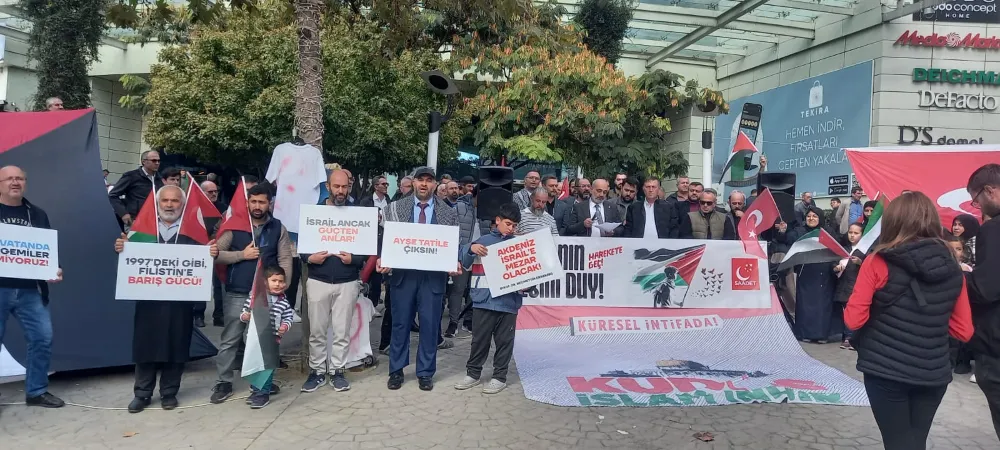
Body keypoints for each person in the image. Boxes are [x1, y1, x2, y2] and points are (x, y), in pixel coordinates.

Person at [844, 191, 973, 450]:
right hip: (933, 372)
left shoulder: (877, 261)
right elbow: (964, 330)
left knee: (898, 442)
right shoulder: (952, 266)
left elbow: (854, 320)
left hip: (885, 369)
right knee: (915, 441)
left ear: (892, 221)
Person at [113, 185, 220, 413]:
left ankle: (169, 392)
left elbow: (202, 264)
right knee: (145, 345)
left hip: (180, 302)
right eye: (165, 200)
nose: (169, 205)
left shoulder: (194, 233)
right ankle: (142, 394)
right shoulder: (142, 230)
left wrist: (210, 253)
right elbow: (130, 260)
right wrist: (123, 247)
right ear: (157, 203)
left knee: (177, 344)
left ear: (183, 205)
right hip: (148, 301)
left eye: (175, 201)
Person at [376, 167, 462, 391]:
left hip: (433, 277)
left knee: (430, 325)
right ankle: (396, 370)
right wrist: (382, 258)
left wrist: (454, 261)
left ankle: (425, 372)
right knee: (400, 323)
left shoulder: (448, 213)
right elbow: (386, 239)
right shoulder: (395, 208)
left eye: (429, 180)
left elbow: (453, 244)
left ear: (435, 185)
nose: (424, 184)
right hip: (403, 275)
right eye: (420, 180)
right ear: (413, 182)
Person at [209, 183, 293, 404]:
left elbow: (285, 258)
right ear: (247, 202)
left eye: (261, 202)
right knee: (231, 339)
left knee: (264, 342)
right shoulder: (234, 225)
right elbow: (216, 255)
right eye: (253, 201)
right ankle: (224, 382)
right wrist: (241, 255)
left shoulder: (278, 227)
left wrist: (283, 285)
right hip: (239, 291)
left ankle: (262, 383)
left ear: (269, 203)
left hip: (267, 295)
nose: (257, 206)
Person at [0, 166, 65, 408]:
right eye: (9, 179)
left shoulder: (37, 214)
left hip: (29, 289)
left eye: (19, 178)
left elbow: (46, 249)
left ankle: (36, 391)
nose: (15, 182)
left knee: (42, 338)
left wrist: (54, 268)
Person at [301, 170, 366, 393]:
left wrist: (354, 259)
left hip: (347, 281)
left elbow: (365, 250)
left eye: (344, 187)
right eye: (336, 186)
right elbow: (302, 248)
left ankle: (338, 371)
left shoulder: (357, 215)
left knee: (341, 331)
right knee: (317, 331)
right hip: (318, 279)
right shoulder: (314, 214)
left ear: (349, 187)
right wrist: (310, 258)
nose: (340, 191)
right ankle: (317, 371)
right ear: (328, 186)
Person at [454, 203, 523, 394]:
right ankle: (473, 374)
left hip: (508, 302)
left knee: (504, 342)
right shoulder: (482, 241)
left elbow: (530, 275)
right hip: (483, 301)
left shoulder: (519, 244)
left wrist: (527, 285)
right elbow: (464, 262)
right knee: (479, 341)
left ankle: (499, 377)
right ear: (497, 221)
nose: (511, 228)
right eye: (508, 224)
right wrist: (471, 248)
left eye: (515, 225)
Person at [965, 163, 1000, 438]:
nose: (977, 208)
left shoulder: (993, 229)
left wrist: (958, 277)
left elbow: (986, 289)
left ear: (989, 191)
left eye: (976, 200)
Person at [239, 266, 293, 409]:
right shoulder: (254, 298)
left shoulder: (284, 302)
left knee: (267, 368)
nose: (277, 284)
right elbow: (244, 313)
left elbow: (288, 317)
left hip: (272, 341)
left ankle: (263, 394)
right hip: (255, 340)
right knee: (255, 365)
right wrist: (245, 316)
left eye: (281, 281)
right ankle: (256, 389)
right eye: (274, 280)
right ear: (264, 282)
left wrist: (284, 326)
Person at [792, 206, 841, 343]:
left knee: (822, 305)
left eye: (814, 216)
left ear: (820, 218)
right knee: (805, 304)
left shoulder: (828, 232)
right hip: (806, 271)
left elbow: (836, 249)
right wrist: (782, 231)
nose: (811, 218)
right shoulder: (800, 231)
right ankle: (805, 333)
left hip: (824, 272)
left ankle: (822, 334)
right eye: (808, 216)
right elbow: (789, 240)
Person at [109, 150, 164, 227]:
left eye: (158, 161)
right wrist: (123, 213)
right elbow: (113, 195)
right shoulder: (131, 176)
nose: (157, 163)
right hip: (135, 219)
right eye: (154, 160)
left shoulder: (160, 178)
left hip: (155, 220)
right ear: (144, 162)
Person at [833, 222, 866, 351]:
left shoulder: (865, 250)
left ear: (862, 235)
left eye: (856, 233)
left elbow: (870, 267)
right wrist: (836, 268)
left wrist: (860, 262)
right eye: (850, 232)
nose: (852, 235)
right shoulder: (843, 249)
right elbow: (833, 264)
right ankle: (847, 337)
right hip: (843, 285)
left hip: (857, 286)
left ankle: (850, 338)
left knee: (853, 311)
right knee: (846, 312)